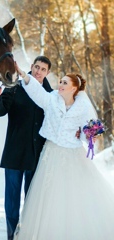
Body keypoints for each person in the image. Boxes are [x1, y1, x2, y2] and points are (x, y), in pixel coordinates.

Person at [13, 64, 114, 240]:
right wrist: (22, 74)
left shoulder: (82, 107)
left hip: (73, 156)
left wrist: (88, 136)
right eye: (60, 81)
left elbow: (86, 133)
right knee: (49, 199)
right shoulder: (51, 99)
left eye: (64, 83)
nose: (60, 84)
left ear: (74, 88)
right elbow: (36, 92)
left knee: (73, 198)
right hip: (51, 154)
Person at [0, 56, 52, 240]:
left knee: (32, 201)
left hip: (37, 156)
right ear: (31, 67)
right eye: (37, 67)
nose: (39, 71)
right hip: (14, 154)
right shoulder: (15, 88)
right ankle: (11, 235)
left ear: (47, 73)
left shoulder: (51, 95)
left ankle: (28, 235)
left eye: (43, 69)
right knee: (12, 201)